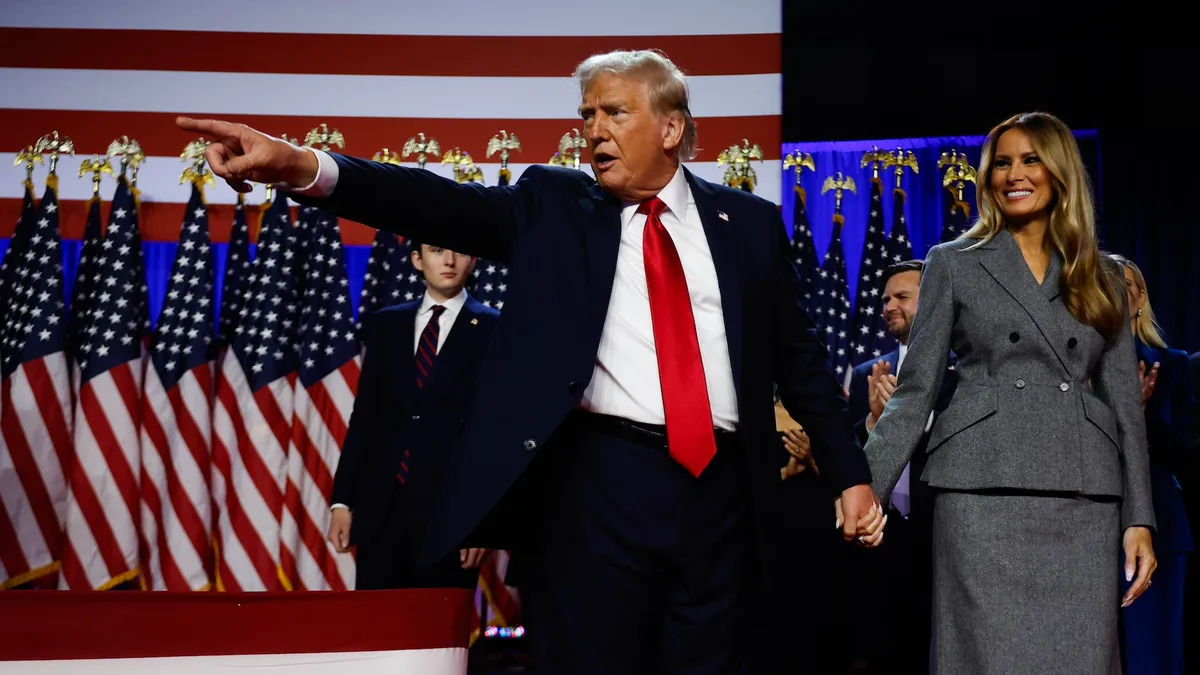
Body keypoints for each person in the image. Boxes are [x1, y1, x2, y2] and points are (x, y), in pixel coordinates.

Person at [177, 49, 884, 674]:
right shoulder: (553, 204)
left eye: (614, 111)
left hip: (727, 495)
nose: (593, 129)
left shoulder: (748, 223)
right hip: (598, 486)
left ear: (670, 129)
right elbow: (427, 198)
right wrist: (300, 165)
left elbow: (801, 361)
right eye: (587, 114)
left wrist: (850, 475)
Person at [861, 111, 1157, 674]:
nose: (1013, 174)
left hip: (1083, 498)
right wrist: (864, 487)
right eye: (1001, 162)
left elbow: (1125, 409)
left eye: (1029, 159)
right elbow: (915, 391)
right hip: (979, 494)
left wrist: (1139, 517)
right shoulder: (952, 262)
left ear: (1060, 171)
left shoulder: (1105, 276)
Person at [327, 241, 499, 591]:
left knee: (438, 637)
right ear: (417, 260)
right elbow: (365, 420)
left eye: (459, 251)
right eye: (437, 251)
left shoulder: (496, 329)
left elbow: (496, 434)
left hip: (450, 517)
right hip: (381, 512)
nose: (449, 260)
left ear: (474, 259)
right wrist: (342, 502)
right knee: (377, 632)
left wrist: (483, 524)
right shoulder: (387, 324)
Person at [846, 259, 958, 673]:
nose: (889, 305)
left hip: (940, 532)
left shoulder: (965, 373)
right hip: (882, 538)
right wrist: (874, 421)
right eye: (885, 298)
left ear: (929, 301)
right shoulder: (865, 375)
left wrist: (911, 416)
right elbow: (849, 451)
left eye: (902, 297)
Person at [1109, 254, 1193, 675]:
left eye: (1120, 288)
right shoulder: (1071, 365)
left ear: (1139, 298)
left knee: (1152, 656)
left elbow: (1186, 454)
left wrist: (1140, 416)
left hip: (1158, 524)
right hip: (1083, 524)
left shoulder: (1173, 364)